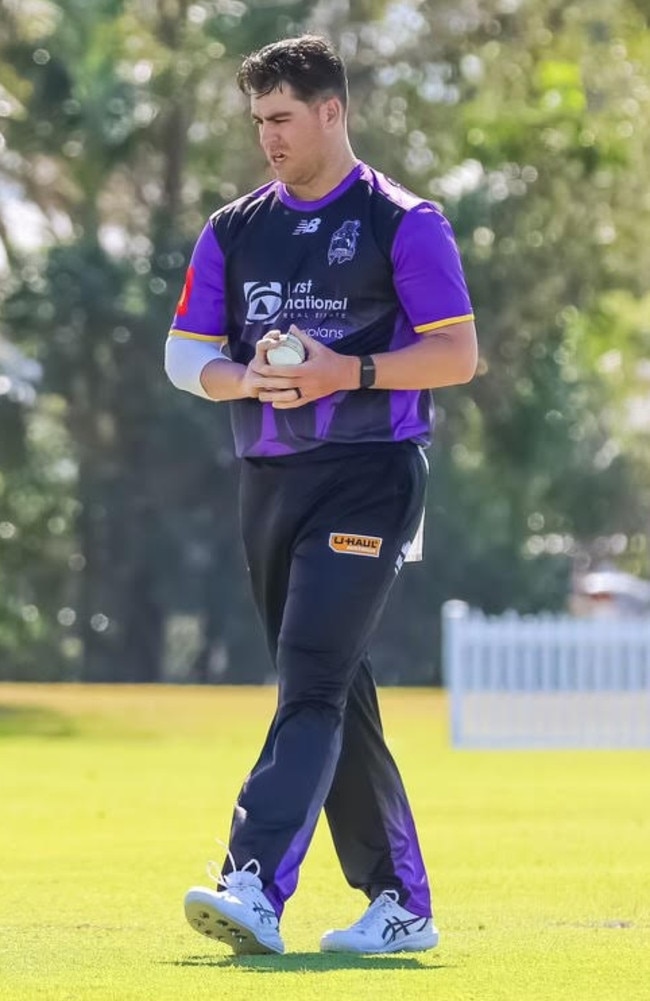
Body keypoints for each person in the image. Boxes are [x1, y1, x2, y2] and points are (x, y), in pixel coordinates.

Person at [164, 34, 477, 956]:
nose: (268, 137)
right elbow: (186, 355)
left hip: (371, 476)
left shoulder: (404, 222)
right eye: (258, 120)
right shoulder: (232, 227)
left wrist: (349, 369)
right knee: (331, 685)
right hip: (268, 479)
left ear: (332, 111)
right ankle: (399, 903)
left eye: (283, 118)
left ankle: (252, 877)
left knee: (309, 678)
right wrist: (241, 382)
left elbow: (457, 355)